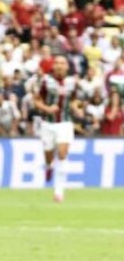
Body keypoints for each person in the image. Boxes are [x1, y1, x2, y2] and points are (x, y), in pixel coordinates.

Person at [34, 54, 78, 202]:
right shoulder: (46, 81)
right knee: (48, 154)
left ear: (67, 66)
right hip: (48, 123)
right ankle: (48, 166)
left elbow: (73, 100)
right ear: (53, 66)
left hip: (65, 123)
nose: (59, 65)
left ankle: (59, 192)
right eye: (57, 63)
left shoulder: (72, 82)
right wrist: (47, 108)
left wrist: (76, 109)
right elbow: (37, 101)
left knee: (62, 154)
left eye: (62, 62)